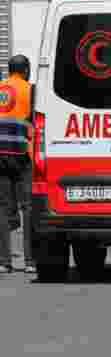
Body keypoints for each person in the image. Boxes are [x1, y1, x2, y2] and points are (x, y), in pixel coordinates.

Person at [0, 55, 34, 274]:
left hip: (0, 154)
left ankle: (4, 262)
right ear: (25, 70)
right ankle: (31, 261)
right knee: (28, 207)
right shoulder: (30, 90)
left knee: (2, 208)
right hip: (22, 153)